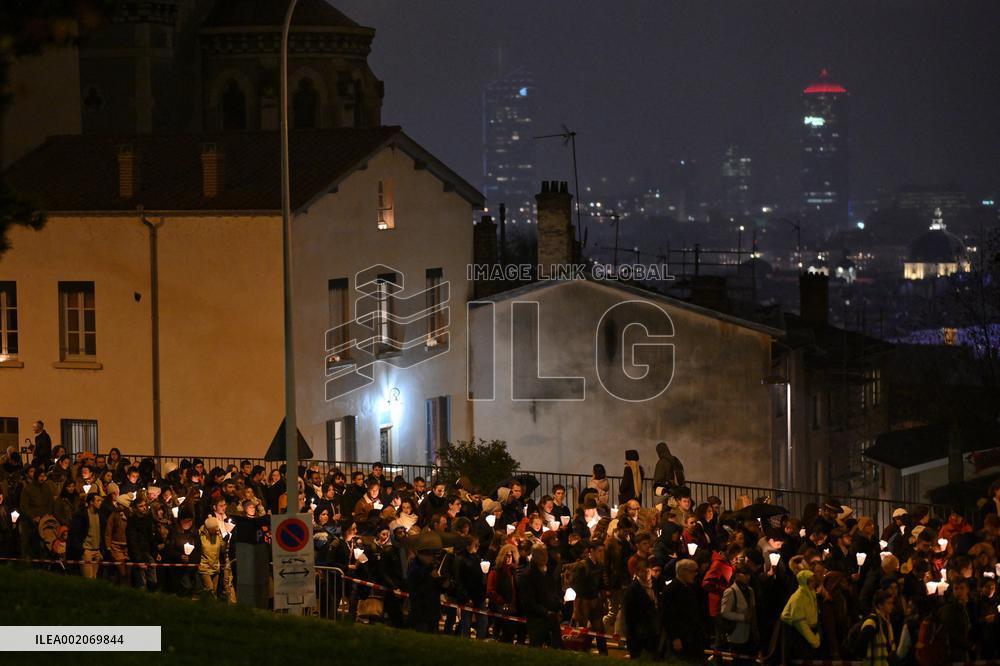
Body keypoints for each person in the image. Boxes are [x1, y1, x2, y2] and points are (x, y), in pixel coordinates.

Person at [518, 543, 562, 648]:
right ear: (534, 556)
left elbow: (553, 592)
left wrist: (558, 606)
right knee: (536, 647)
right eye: (541, 554)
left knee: (556, 648)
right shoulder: (527, 575)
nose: (545, 557)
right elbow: (528, 600)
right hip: (537, 619)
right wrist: (545, 612)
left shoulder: (548, 572)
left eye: (545, 553)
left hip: (552, 616)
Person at [719, 565, 759, 659]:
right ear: (736, 575)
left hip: (749, 633)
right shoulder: (730, 591)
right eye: (745, 574)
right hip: (735, 634)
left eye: (749, 574)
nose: (748, 577)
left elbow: (753, 609)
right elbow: (724, 612)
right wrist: (742, 617)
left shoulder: (750, 590)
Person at [780, 569, 821, 659]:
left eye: (814, 580)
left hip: (806, 634)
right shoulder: (798, 598)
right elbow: (800, 624)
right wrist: (814, 640)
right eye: (811, 581)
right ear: (805, 582)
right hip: (796, 635)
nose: (814, 583)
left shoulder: (810, 593)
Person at [623, 559, 659, 659]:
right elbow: (628, 616)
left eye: (648, 571)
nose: (646, 574)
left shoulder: (655, 583)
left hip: (652, 630)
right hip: (639, 632)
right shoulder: (632, 590)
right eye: (643, 571)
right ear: (637, 572)